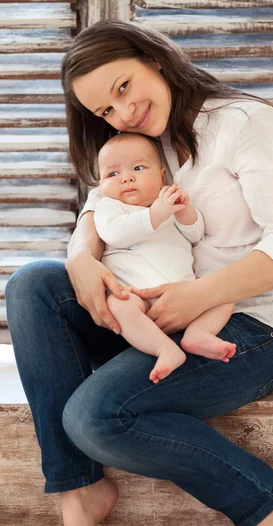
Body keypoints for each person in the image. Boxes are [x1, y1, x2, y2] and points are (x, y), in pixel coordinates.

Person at [5, 19, 273, 526]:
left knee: (95, 417)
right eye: (104, 112)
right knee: (34, 284)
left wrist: (198, 295)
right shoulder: (141, 145)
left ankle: (269, 499)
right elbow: (101, 207)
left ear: (152, 57)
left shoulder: (247, 125)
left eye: (123, 88)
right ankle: (78, 491)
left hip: (245, 329)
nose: (122, 115)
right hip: (151, 320)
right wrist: (81, 258)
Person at [95, 131, 236, 383]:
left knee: (225, 297)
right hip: (137, 295)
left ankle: (198, 334)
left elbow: (195, 235)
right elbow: (114, 234)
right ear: (101, 185)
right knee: (119, 306)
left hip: (185, 294)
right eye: (112, 174)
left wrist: (184, 212)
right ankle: (164, 349)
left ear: (162, 177)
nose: (126, 178)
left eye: (137, 168)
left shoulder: (166, 204)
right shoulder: (110, 207)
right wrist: (157, 214)